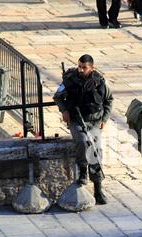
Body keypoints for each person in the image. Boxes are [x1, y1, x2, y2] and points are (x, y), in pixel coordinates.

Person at [53, 54, 113, 205]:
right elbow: (58, 96)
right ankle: (82, 170)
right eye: (79, 66)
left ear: (91, 68)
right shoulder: (70, 80)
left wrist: (104, 119)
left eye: (84, 67)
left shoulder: (99, 82)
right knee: (81, 141)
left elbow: (109, 100)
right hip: (77, 120)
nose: (80, 69)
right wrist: (64, 110)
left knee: (95, 149)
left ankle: (98, 187)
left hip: (94, 121)